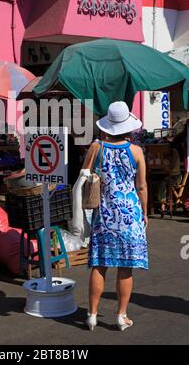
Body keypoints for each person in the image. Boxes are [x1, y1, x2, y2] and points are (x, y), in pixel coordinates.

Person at [82, 102, 148, 331]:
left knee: (100, 265)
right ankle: (121, 316)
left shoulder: (97, 147)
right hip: (131, 216)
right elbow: (141, 187)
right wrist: (145, 213)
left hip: (104, 214)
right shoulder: (136, 151)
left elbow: (84, 176)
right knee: (125, 267)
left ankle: (91, 314)